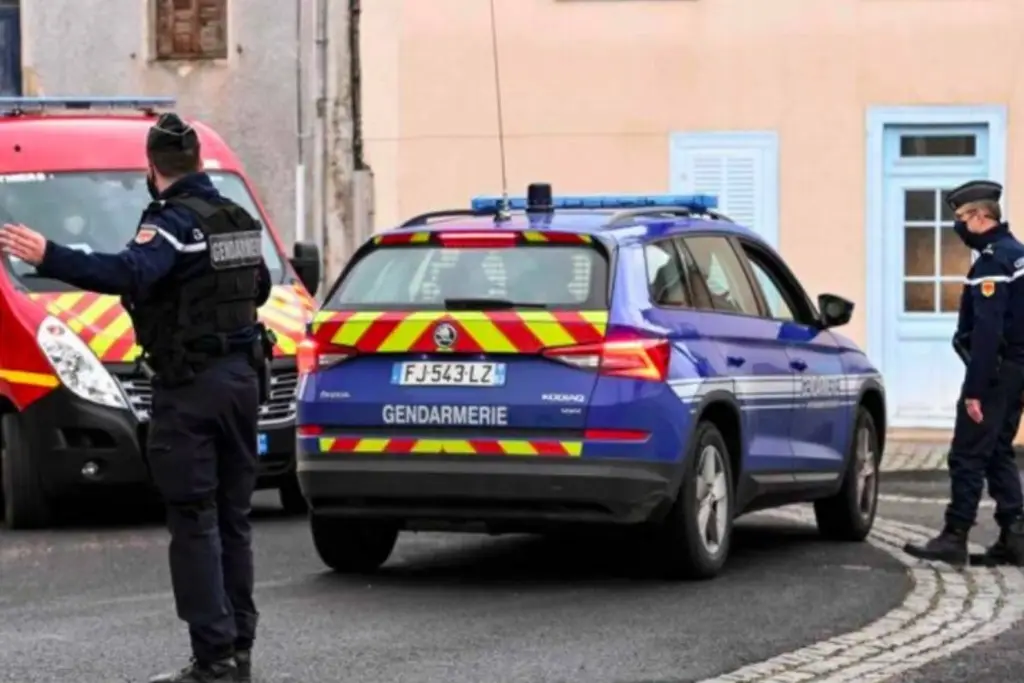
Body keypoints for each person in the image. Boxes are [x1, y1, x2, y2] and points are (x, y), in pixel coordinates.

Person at [0, 113, 272, 682]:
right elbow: (261, 286)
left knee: (194, 519)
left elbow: (129, 271)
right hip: (243, 383)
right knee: (233, 519)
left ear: (153, 170)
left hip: (191, 388)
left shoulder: (170, 223)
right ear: (200, 161)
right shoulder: (237, 218)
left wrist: (49, 255)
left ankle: (213, 659)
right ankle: (239, 647)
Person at [903, 179, 1024, 567]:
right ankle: (1015, 536)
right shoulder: (1018, 255)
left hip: (995, 373)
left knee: (967, 455)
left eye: (960, 219)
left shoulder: (992, 262)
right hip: (1017, 372)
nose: (958, 227)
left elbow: (988, 333)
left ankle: (954, 537)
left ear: (979, 216)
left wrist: (975, 389)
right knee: (998, 452)